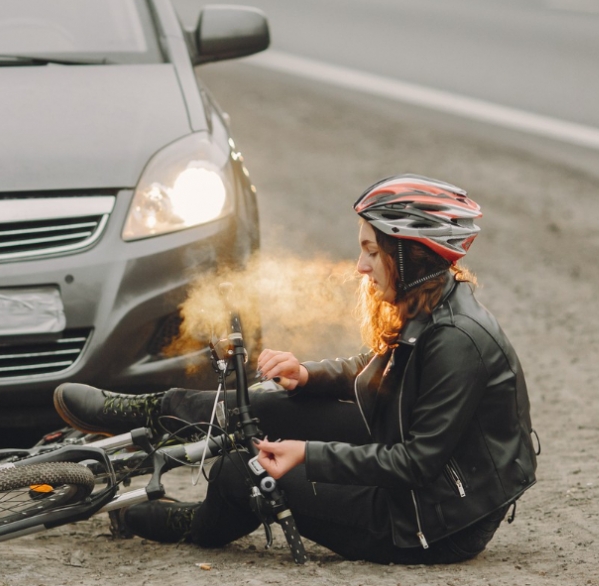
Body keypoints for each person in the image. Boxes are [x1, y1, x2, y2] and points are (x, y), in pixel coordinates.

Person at [53, 174, 537, 564]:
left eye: (372, 251)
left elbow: (414, 464)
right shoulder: (430, 305)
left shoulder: (458, 341)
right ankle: (143, 412)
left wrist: (307, 454)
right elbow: (377, 368)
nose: (360, 267)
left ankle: (194, 522)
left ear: (411, 256)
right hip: (402, 450)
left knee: (241, 472)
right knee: (263, 403)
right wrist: (308, 374)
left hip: (427, 520)